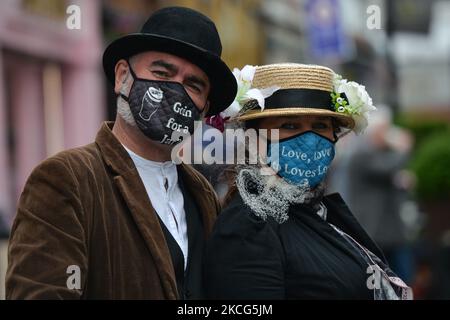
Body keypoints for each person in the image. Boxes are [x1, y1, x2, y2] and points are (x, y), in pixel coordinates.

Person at [6, 7, 237, 299]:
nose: (175, 89)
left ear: (204, 108)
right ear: (122, 77)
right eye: (162, 72)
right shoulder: (67, 179)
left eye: (193, 84)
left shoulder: (202, 194)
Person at [204, 63, 412, 299]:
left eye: (320, 126)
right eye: (290, 125)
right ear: (255, 138)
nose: (310, 139)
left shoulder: (317, 210)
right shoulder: (248, 225)